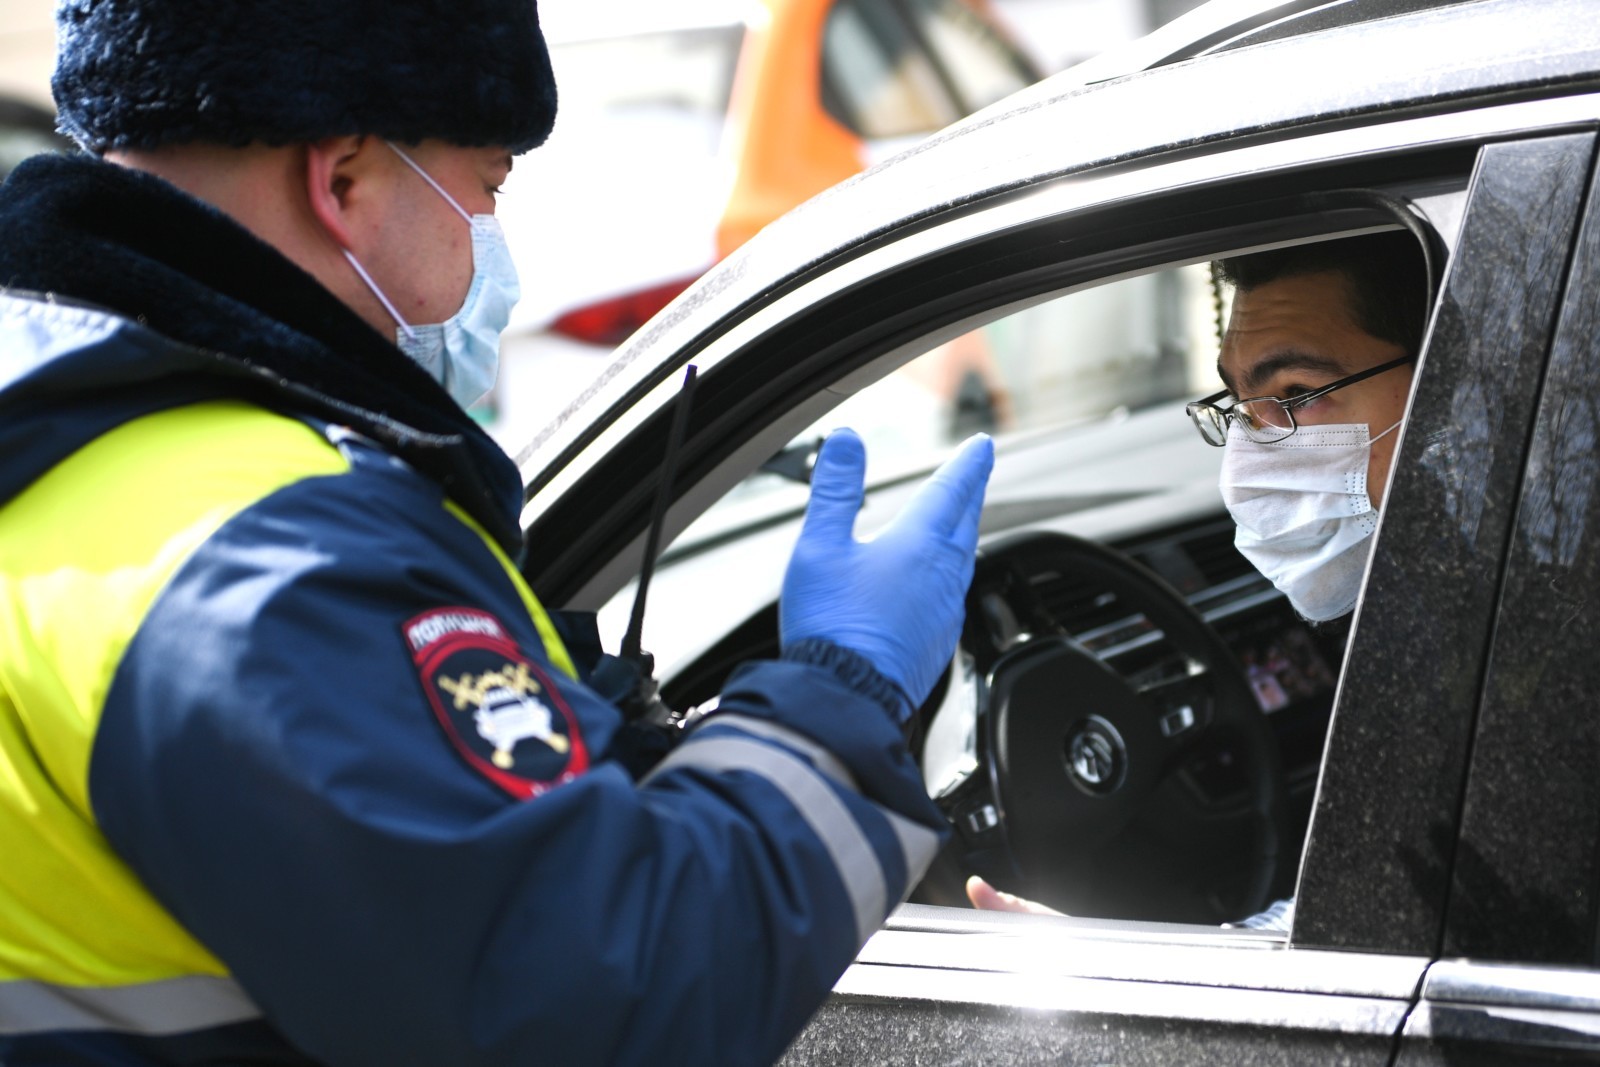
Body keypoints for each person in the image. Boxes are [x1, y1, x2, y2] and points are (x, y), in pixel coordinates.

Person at [0, 3, 993, 1065]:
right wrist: (840, 695)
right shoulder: (283, 557)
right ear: (343, 179)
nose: (498, 251)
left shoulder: (71, 444)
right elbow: (616, 998)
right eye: (487, 187)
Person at [967, 229, 1430, 924]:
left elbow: (1408, 947)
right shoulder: (1459, 591)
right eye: (1240, 406)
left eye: (1298, 393)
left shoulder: (1513, 640)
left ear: (1448, 372)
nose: (1247, 462)